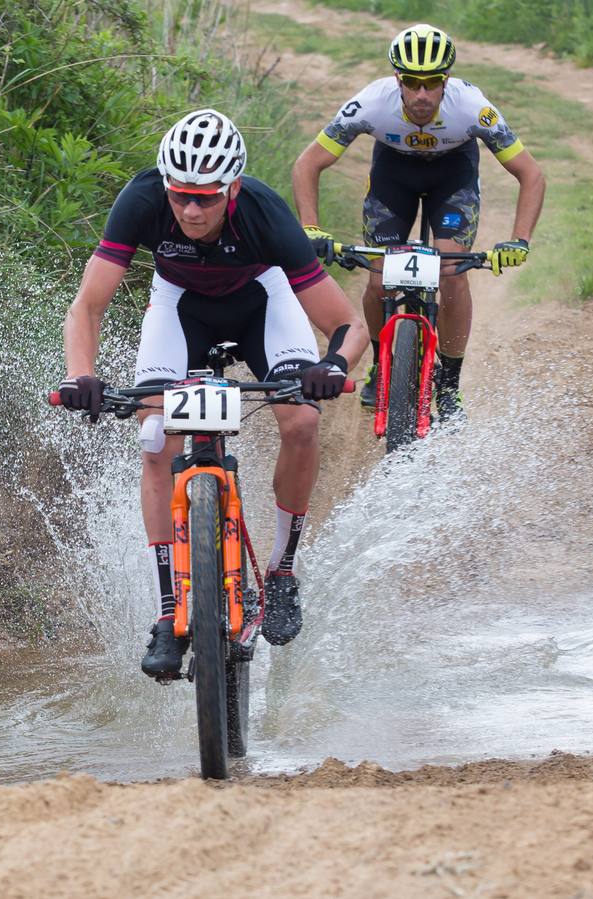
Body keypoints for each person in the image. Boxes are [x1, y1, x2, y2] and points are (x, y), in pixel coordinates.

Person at [59, 109, 367, 678]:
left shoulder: (266, 214)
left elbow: (349, 323)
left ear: (234, 188)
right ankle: (169, 610)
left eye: (206, 197)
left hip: (262, 304)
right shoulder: (142, 199)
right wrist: (81, 376)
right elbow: (87, 305)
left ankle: (280, 572)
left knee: (300, 421)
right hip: (180, 309)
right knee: (155, 438)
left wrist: (332, 365)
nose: (192, 210)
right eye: (181, 197)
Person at [291, 23, 545, 419]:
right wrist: (311, 227)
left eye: (432, 82)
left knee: (452, 272)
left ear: (447, 79)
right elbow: (309, 163)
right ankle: (380, 364)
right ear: (398, 79)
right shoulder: (372, 103)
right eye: (411, 82)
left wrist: (520, 239)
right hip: (394, 178)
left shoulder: (472, 106)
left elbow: (531, 174)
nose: (422, 93)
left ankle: (448, 385)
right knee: (378, 279)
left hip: (453, 177)